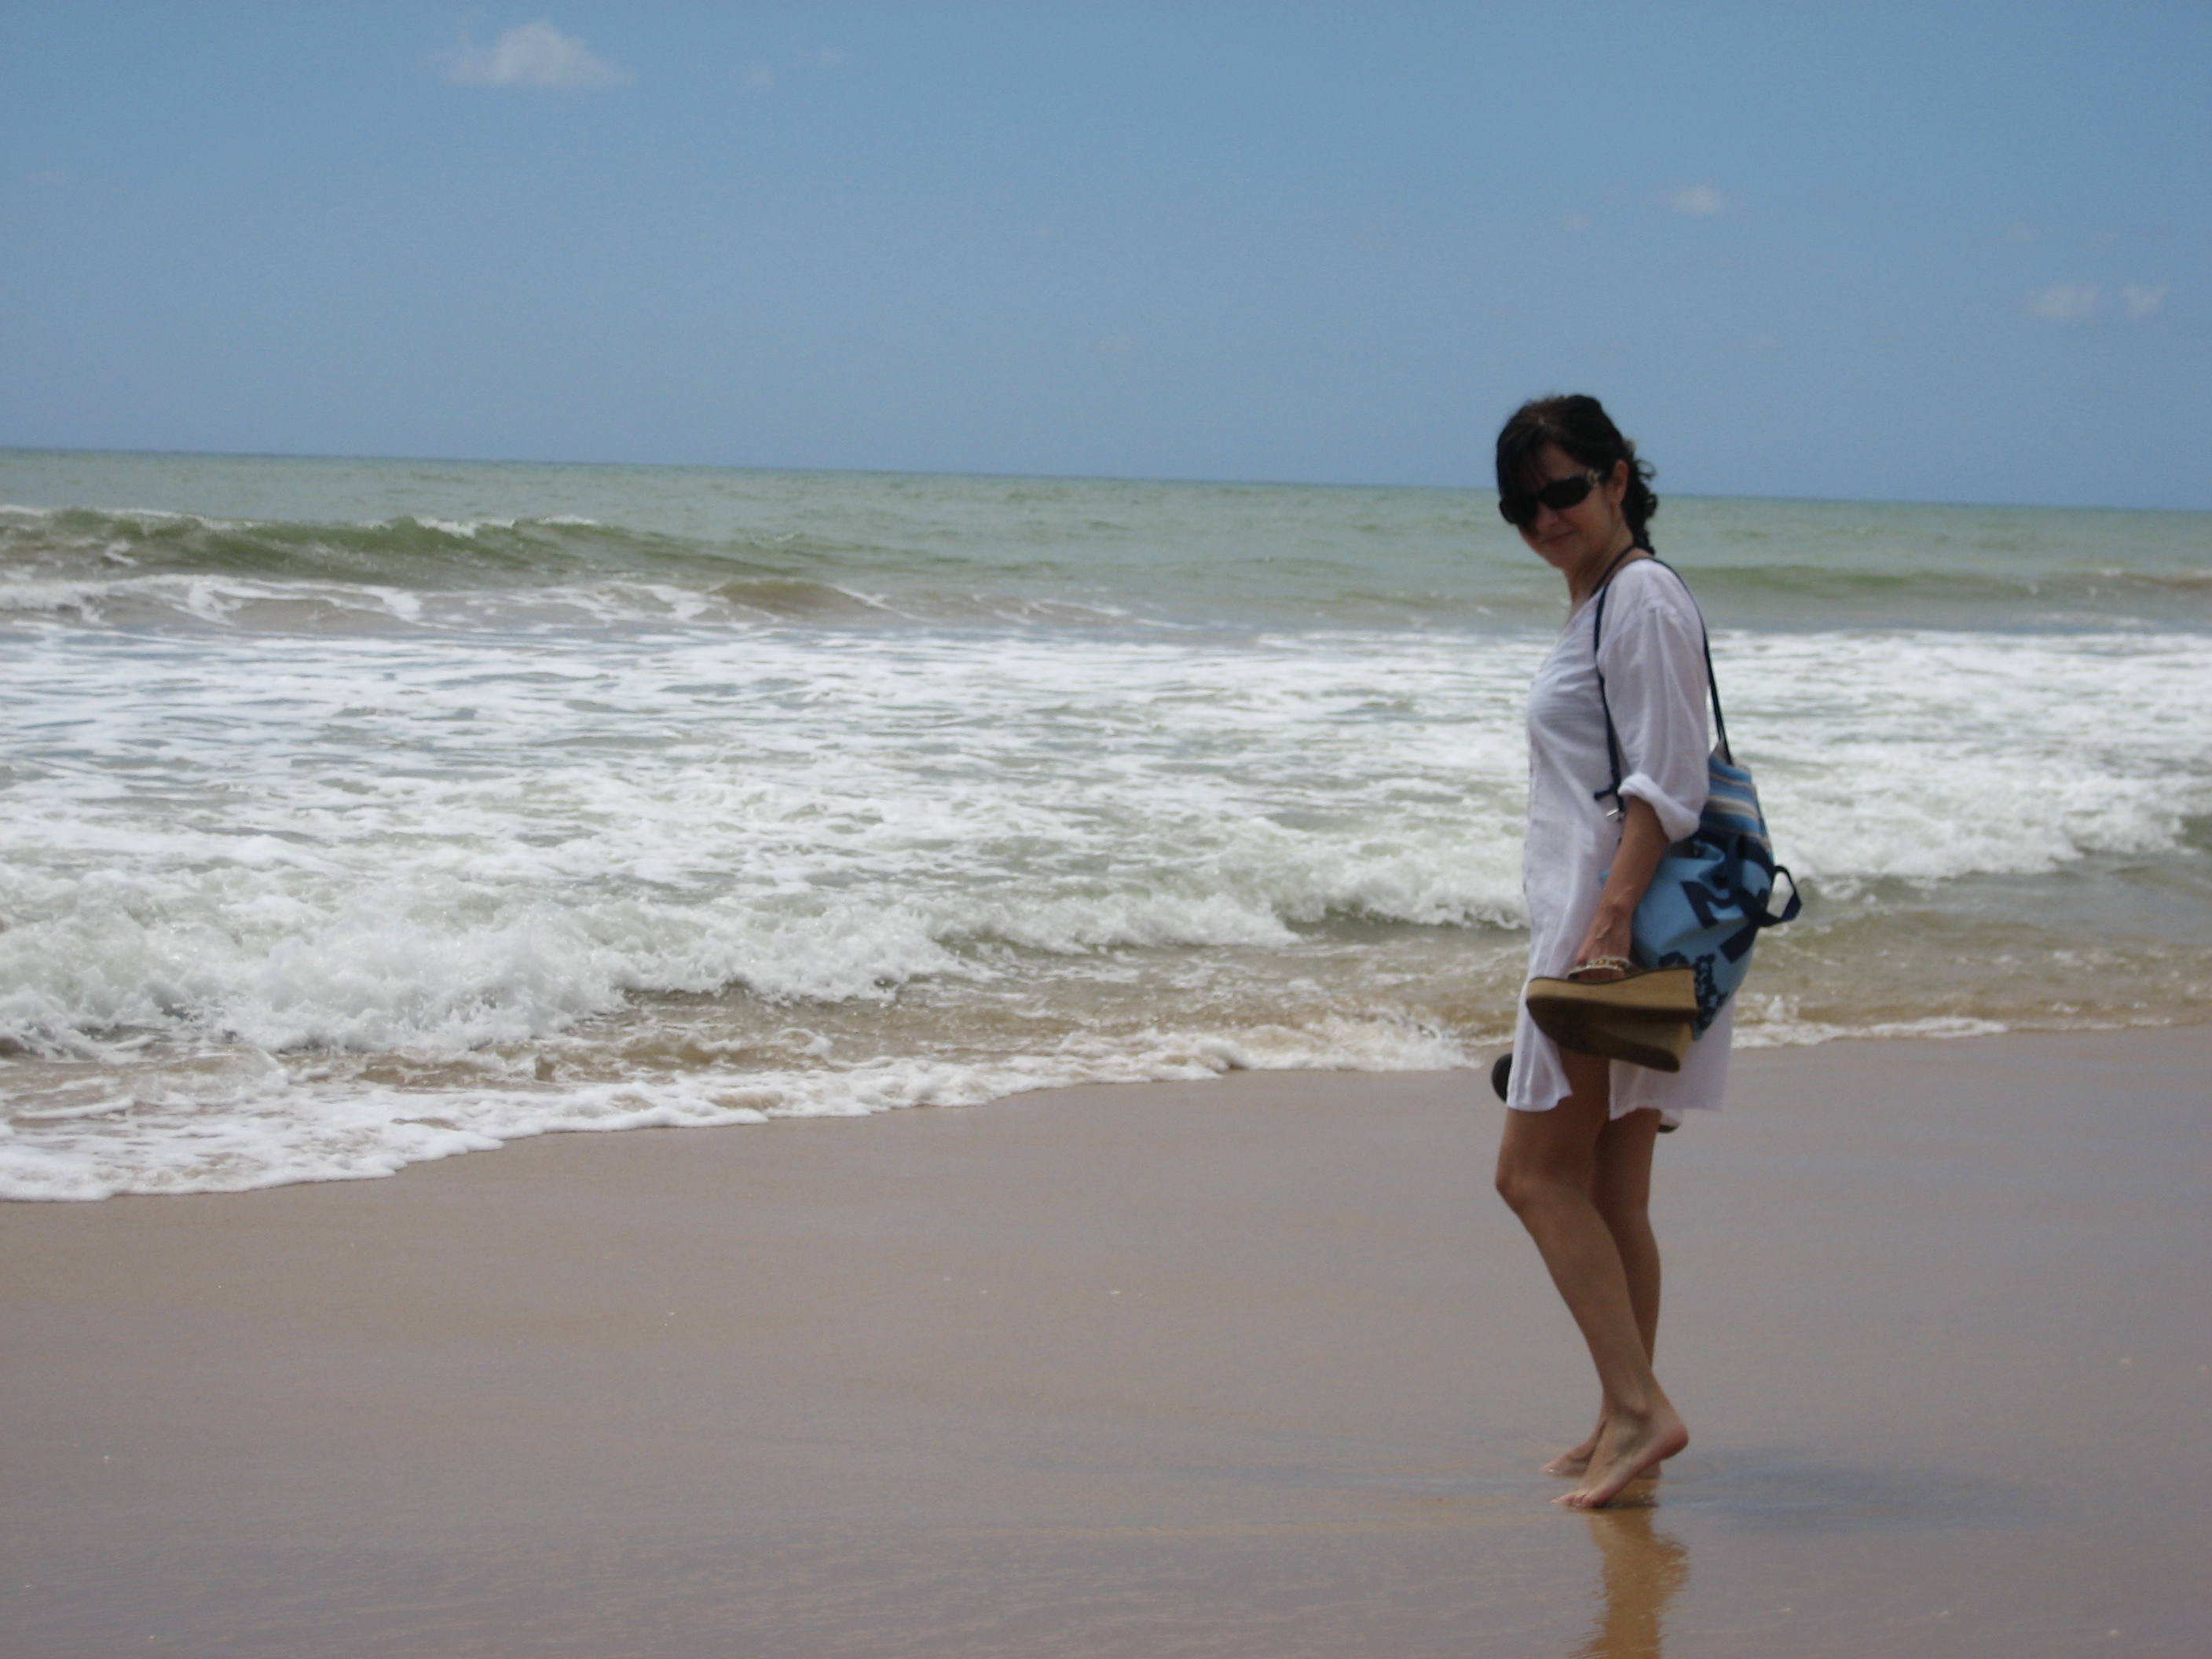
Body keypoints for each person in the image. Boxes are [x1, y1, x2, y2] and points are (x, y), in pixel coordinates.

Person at [1491, 394, 1719, 1509]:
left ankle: (1639, 1409)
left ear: (1618, 478)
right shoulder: (1599, 604)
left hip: (1611, 936)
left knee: (1532, 1175)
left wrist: (1609, 922)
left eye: (1565, 490)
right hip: (1603, 926)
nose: (1546, 516)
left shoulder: (1641, 600)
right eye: (1522, 504)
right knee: (1611, 1189)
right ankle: (1621, 1418)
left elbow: (1668, 782)